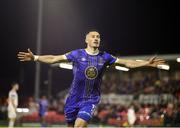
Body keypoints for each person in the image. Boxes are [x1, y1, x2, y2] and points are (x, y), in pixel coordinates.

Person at [17, 30, 165, 127]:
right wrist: (35, 57)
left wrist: (146, 62)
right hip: (72, 99)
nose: (96, 38)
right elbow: (54, 58)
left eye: (98, 37)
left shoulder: (105, 57)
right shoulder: (76, 54)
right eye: (93, 36)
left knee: (79, 125)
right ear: (86, 40)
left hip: (90, 100)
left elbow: (127, 62)